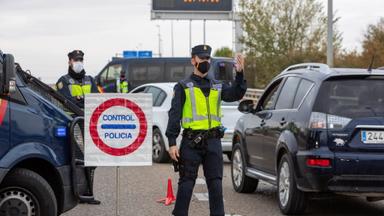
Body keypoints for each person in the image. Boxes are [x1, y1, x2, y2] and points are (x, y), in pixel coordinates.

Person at [166, 44, 247, 216]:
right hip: (191, 142)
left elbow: (236, 94)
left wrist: (239, 74)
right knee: (186, 184)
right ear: (193, 60)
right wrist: (172, 142)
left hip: (213, 142)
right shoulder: (183, 86)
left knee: (216, 185)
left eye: (208, 58)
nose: (205, 61)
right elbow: (174, 115)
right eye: (202, 58)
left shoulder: (218, 85)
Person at [56, 50, 101, 205]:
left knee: (92, 159)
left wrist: (81, 100)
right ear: (69, 61)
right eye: (76, 60)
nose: (78, 62)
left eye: (81, 59)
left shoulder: (90, 80)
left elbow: (96, 99)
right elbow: (67, 102)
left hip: (89, 123)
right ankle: (76, 193)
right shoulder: (63, 81)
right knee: (77, 158)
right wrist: (83, 101)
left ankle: (88, 192)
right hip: (73, 123)